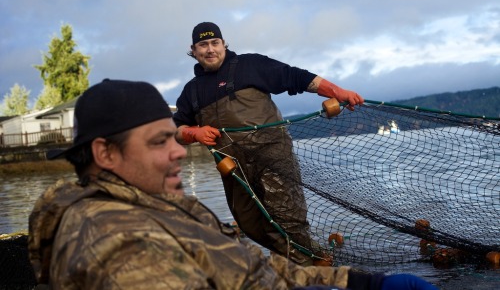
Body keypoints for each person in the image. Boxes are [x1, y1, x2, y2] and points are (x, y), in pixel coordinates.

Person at [28, 79, 437, 290]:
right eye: (159, 142)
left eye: (174, 138)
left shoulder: (161, 205)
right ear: (105, 154)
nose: (177, 152)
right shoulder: (113, 238)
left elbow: (252, 268)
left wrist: (360, 283)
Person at [174, 22, 364, 266]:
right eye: (203, 45)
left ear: (223, 44)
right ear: (194, 50)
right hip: (234, 168)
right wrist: (194, 133)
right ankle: (311, 259)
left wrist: (336, 91)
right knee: (248, 222)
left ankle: (311, 271)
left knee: (286, 217)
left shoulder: (250, 65)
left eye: (215, 43)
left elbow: (295, 77)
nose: (210, 49)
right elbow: (177, 130)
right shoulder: (191, 91)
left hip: (272, 153)